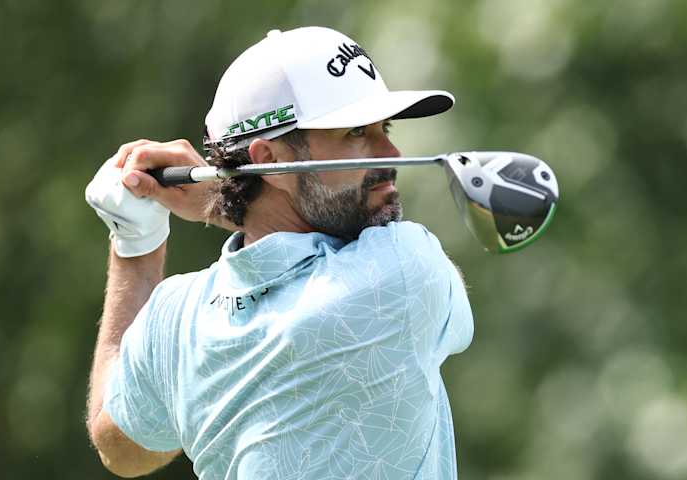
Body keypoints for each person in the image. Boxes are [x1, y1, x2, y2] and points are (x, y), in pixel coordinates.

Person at [84, 26, 473, 479]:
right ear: (269, 160)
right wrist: (218, 205)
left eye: (382, 128)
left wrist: (136, 247)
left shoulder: (175, 318)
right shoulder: (404, 269)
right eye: (356, 132)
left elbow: (124, 449)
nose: (391, 151)